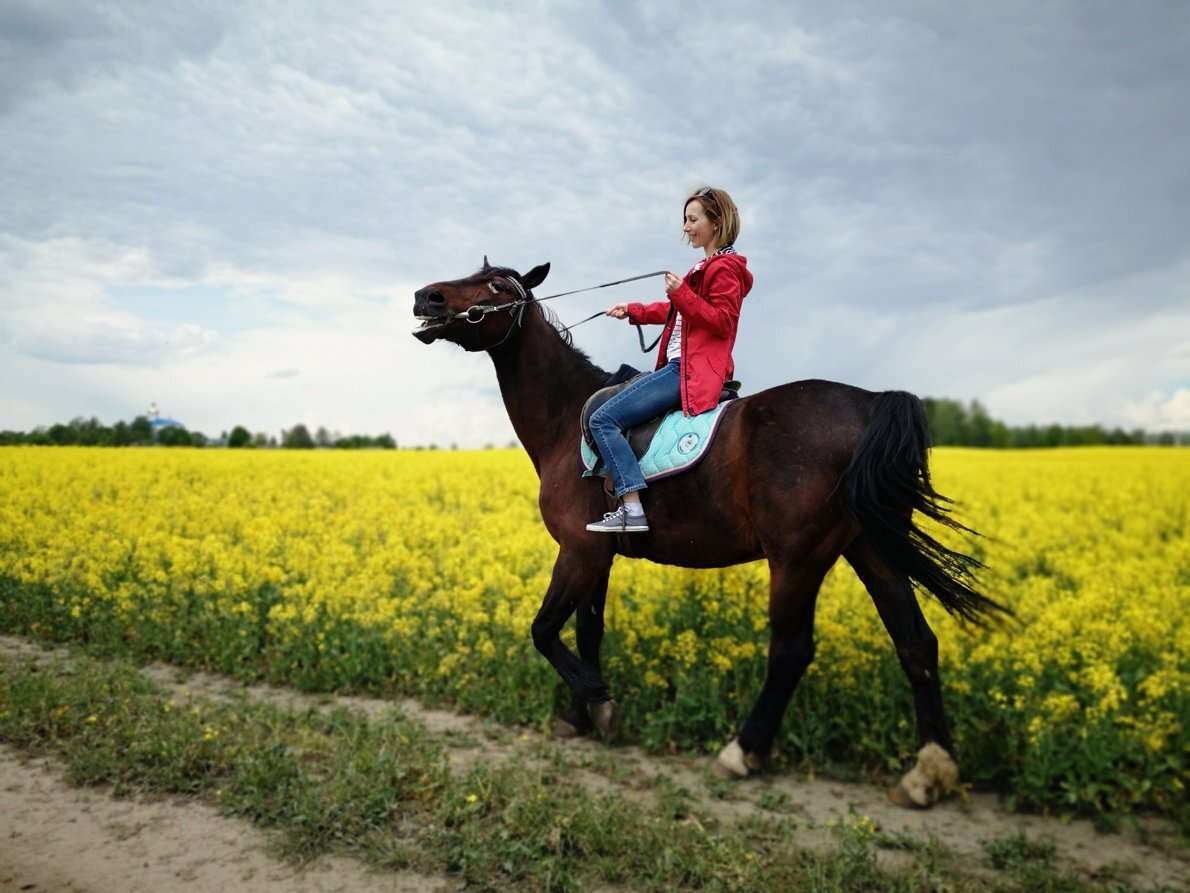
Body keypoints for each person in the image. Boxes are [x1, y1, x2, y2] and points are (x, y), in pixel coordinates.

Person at [586, 185, 753, 533]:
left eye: (693, 220)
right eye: (685, 220)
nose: (686, 227)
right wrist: (633, 310)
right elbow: (676, 311)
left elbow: (722, 321)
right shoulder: (705, 265)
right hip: (679, 367)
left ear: (717, 222)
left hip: (688, 372)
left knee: (603, 420)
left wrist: (681, 294)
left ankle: (631, 509)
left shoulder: (725, 268)